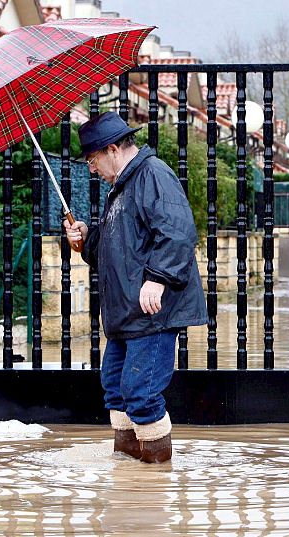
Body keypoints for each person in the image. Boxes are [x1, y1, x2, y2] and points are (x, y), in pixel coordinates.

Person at [64, 111, 207, 463]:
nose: (92, 169)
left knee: (140, 393)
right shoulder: (123, 187)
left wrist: (158, 279)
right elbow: (118, 251)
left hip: (152, 312)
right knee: (116, 390)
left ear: (112, 149)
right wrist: (86, 239)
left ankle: (156, 478)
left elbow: (178, 232)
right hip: (127, 313)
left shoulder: (153, 175)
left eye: (93, 160)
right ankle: (128, 471)